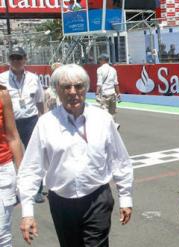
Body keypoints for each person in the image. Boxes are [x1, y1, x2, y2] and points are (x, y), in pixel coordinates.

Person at [17, 64, 133, 247]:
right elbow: (31, 168)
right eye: (66, 87)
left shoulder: (102, 119)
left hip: (97, 198)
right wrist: (27, 212)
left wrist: (125, 197)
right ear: (56, 90)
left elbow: (120, 159)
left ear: (86, 88)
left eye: (78, 86)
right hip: (61, 203)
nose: (73, 92)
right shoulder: (45, 123)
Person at [0, 47, 45, 203]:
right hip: (9, 123)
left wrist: (43, 120)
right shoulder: (2, 78)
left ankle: (37, 190)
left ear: (25, 59)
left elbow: (39, 101)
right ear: (9, 60)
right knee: (11, 158)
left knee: (34, 156)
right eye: (13, 58)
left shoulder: (34, 78)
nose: (16, 61)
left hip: (31, 121)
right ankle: (12, 190)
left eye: (19, 58)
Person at [0, 84, 24, 247]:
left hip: (2, 170)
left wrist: (22, 177)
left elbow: (13, 137)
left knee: (2, 235)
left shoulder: (2, 95)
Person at [96, 54, 120, 122]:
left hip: (104, 94)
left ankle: (107, 128)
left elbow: (99, 83)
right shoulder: (113, 69)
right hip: (112, 93)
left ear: (103, 60)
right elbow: (116, 83)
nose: (99, 61)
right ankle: (114, 126)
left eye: (100, 60)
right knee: (113, 113)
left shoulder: (100, 69)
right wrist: (118, 94)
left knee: (104, 112)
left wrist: (97, 93)